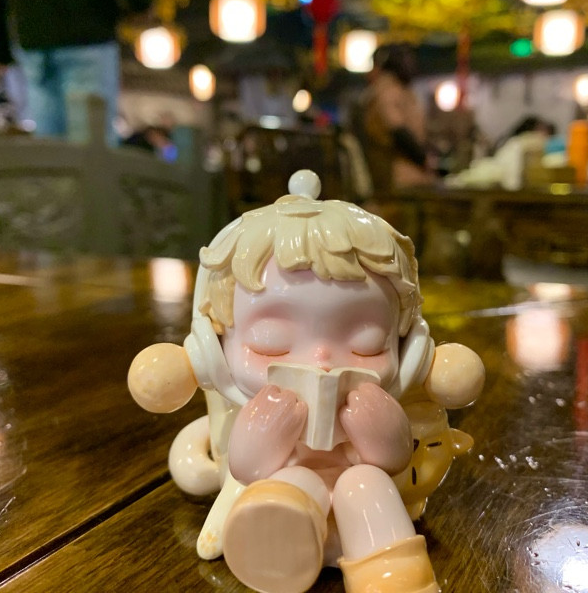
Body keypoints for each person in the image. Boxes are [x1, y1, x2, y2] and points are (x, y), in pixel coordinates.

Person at [128, 171, 486, 593]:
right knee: (288, 485)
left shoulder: (383, 393)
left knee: (366, 483)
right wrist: (264, 430)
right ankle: (274, 554)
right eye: (271, 340)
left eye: (367, 340)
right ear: (213, 351)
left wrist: (381, 427)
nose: (321, 362)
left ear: (408, 349)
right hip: (287, 494)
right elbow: (248, 467)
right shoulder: (251, 397)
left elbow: (392, 459)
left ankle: (394, 578)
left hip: (363, 500)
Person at [0, 0, 153, 145]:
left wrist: (1, 49)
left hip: (34, 38)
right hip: (86, 33)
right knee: (91, 140)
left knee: (48, 142)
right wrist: (140, 1)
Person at [353, 44, 433, 192]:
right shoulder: (387, 90)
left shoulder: (398, 89)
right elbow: (397, 131)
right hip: (398, 174)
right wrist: (422, 158)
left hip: (406, 172)